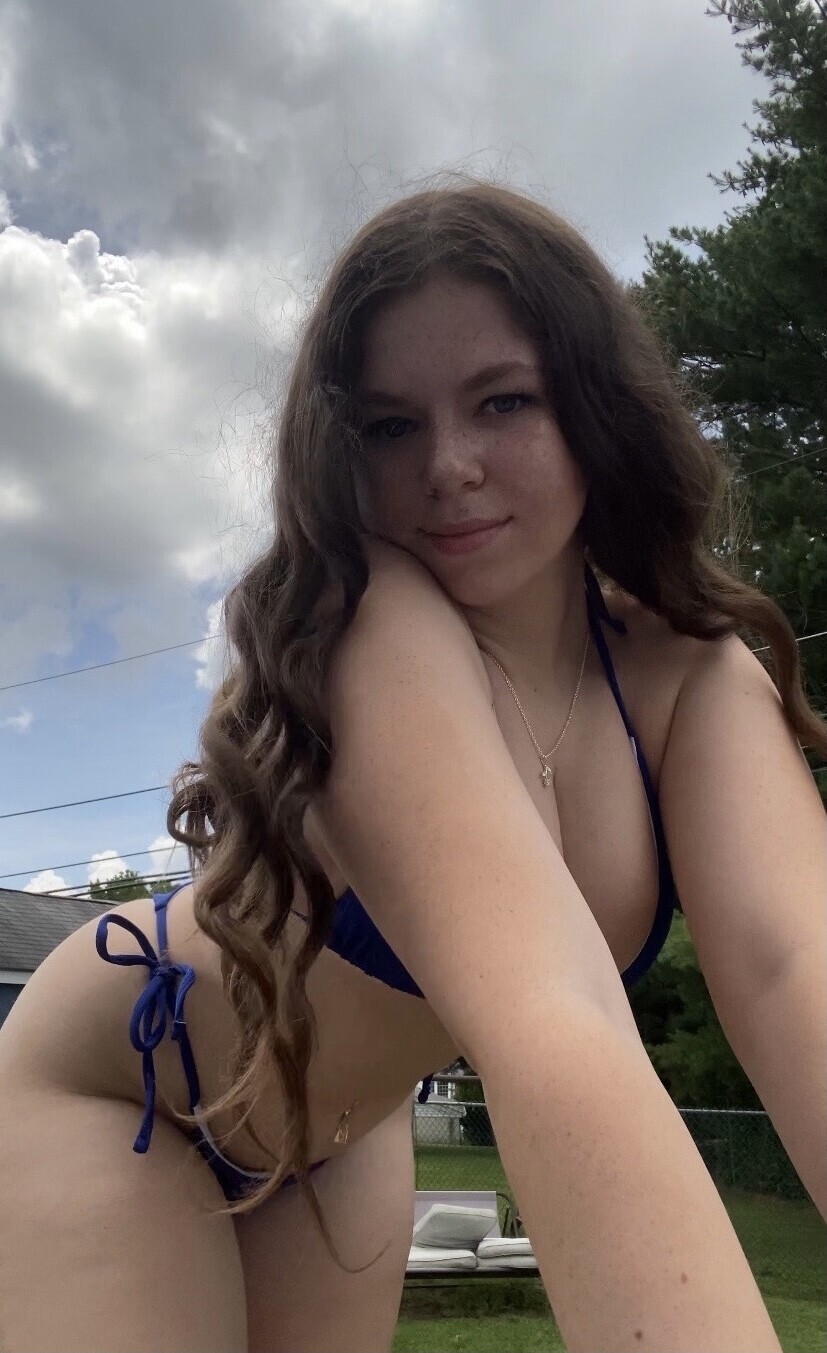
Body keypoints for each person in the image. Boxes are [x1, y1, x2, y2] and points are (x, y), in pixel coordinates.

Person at [1, 175, 823, 1353]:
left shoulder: (687, 676)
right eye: (391, 425)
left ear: (591, 409)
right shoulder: (375, 622)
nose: (447, 465)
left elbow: (795, 971)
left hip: (341, 1142)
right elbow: (550, 1024)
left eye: (502, 401)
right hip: (126, 1085)